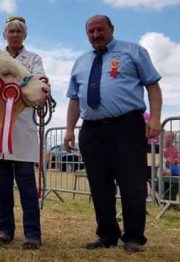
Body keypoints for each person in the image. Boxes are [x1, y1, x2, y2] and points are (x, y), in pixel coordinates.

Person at [64, 15, 162, 253]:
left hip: (126, 126)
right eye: (91, 32)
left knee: (132, 184)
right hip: (92, 130)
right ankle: (107, 234)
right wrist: (69, 129)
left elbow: (152, 86)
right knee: (99, 186)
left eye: (100, 30)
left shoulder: (134, 52)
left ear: (111, 29)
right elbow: (75, 99)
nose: (96, 35)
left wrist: (156, 118)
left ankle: (134, 237)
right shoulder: (80, 61)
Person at [0, 16, 47, 250]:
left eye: (19, 31)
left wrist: (28, 86)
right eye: (11, 31)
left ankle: (32, 234)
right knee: (2, 185)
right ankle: (5, 230)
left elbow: (39, 83)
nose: (15, 34)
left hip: (23, 127)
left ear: (25, 35)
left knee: (27, 186)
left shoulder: (34, 59)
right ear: (4, 35)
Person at [162, 131, 179, 201]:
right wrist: (167, 159)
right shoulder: (160, 147)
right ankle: (167, 200)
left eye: (173, 138)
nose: (171, 139)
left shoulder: (174, 149)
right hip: (163, 167)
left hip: (172, 167)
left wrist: (175, 160)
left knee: (175, 175)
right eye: (169, 137)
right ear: (164, 137)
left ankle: (172, 200)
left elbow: (177, 160)